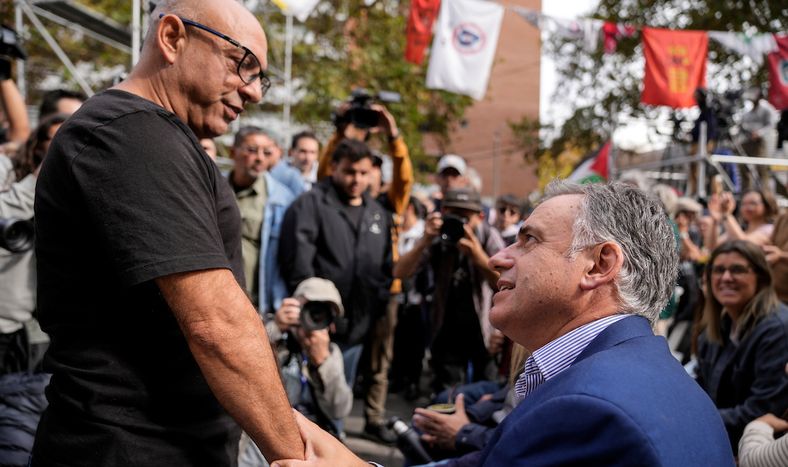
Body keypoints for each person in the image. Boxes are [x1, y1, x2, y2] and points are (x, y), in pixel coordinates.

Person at [271, 180, 734, 467]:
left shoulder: (590, 409)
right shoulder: (631, 375)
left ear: (598, 265)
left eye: (528, 241)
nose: (497, 257)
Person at [31, 1, 304, 465]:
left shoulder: (152, 135)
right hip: (133, 447)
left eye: (262, 76)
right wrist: (299, 456)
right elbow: (215, 323)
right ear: (173, 37)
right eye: (244, 64)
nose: (255, 92)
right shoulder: (128, 133)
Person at [278, 138, 393, 433]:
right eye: (350, 172)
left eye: (364, 173)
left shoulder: (377, 212)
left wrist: (375, 304)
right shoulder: (310, 204)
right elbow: (298, 264)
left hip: (357, 328)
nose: (357, 180)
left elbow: (383, 267)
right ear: (334, 168)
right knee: (303, 411)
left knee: (338, 402)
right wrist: (314, 313)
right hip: (316, 328)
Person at [314, 99, 412, 442]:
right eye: (358, 169)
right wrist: (342, 130)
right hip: (349, 293)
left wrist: (393, 134)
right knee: (340, 355)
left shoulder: (388, 203)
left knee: (379, 362)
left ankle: (373, 417)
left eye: (371, 170)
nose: (364, 176)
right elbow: (326, 169)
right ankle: (331, 416)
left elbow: (405, 175)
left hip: (387, 293)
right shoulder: (336, 198)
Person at [394, 188, 505, 392]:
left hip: (483, 327)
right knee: (447, 393)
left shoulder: (488, 236)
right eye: (453, 215)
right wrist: (424, 240)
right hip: (446, 326)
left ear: (480, 217)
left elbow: (504, 282)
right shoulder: (437, 237)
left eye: (465, 218)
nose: (458, 223)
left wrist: (477, 255)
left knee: (485, 389)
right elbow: (400, 272)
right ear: (443, 213)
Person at [240, 278, 351, 467]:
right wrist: (275, 328)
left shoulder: (331, 353)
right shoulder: (274, 339)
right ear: (293, 308)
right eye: (310, 309)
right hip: (262, 443)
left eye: (323, 313)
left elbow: (339, 410)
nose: (314, 318)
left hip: (312, 446)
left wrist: (322, 362)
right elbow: (241, 364)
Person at [695, 240, 788, 452]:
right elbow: (700, 384)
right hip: (716, 441)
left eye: (737, 270)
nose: (726, 278)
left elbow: (762, 411)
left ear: (761, 277)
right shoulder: (718, 325)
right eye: (718, 270)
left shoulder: (778, 330)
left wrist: (692, 419)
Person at [0, 113, 68, 375]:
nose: (67, 145)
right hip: (6, 322)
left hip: (36, 329)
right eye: (57, 138)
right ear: (38, 143)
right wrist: (38, 178)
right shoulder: (10, 172)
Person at [228, 126, 296, 314]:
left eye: (266, 152)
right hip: (218, 296)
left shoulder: (282, 200)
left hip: (256, 304)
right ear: (233, 152)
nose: (260, 158)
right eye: (251, 150)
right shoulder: (213, 190)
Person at [706, 189, 777, 249]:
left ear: (767, 206)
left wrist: (726, 214)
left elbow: (743, 245)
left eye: (753, 203)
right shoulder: (742, 229)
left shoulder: (769, 229)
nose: (747, 208)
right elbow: (712, 246)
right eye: (744, 204)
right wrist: (715, 220)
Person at [740, 86, 778, 190]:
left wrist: (759, 133)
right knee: (744, 166)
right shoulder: (748, 112)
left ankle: (765, 194)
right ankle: (747, 192)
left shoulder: (767, 108)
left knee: (762, 168)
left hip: (761, 143)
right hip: (747, 141)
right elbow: (743, 124)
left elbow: (771, 124)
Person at [763, 211, 788, 303]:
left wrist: (780, 255)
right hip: (774, 293)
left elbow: (777, 253)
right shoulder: (783, 217)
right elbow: (771, 243)